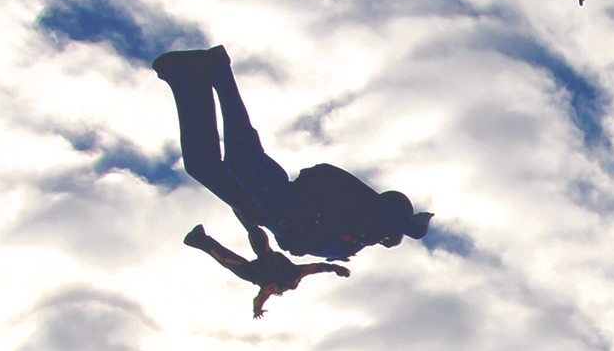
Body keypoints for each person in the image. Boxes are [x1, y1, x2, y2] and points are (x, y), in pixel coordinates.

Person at [153, 45, 433, 262]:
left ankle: (189, 85)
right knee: (240, 160)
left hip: (264, 213)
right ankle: (217, 70)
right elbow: (383, 212)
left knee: (202, 166)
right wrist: (411, 227)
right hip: (287, 204)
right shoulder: (370, 217)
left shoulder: (356, 239)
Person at [184, 222, 349, 319]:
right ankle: (245, 217)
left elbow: (261, 297)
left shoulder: (280, 282)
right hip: (265, 260)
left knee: (225, 257)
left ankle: (197, 239)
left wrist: (257, 309)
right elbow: (318, 268)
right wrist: (335, 268)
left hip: (251, 271)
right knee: (254, 239)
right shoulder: (294, 274)